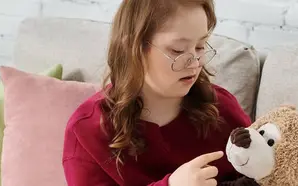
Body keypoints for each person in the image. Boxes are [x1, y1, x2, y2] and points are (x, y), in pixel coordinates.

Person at [61, 0, 258, 185]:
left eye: (200, 46)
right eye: (178, 50)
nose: (195, 62)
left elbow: (263, 171)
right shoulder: (87, 132)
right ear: (133, 48)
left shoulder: (222, 108)